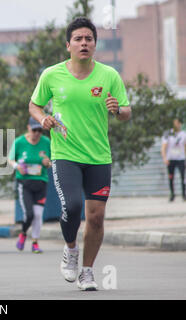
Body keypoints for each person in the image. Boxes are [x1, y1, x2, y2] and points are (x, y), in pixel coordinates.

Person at [29, 17, 131, 291]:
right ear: (68, 45)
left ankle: (87, 271)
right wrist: (43, 118)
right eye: (78, 39)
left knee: (96, 217)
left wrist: (117, 109)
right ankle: (71, 249)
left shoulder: (109, 75)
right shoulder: (52, 74)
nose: (84, 43)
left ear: (95, 44)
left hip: (99, 155)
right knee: (72, 206)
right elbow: (34, 105)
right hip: (65, 153)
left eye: (89, 39)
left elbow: (126, 112)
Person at [8, 117, 51, 254]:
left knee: (38, 215)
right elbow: (10, 159)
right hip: (24, 183)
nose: (37, 133)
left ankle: (35, 242)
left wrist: (47, 163)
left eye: (39, 130)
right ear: (28, 128)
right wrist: (16, 166)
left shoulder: (46, 142)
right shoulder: (19, 142)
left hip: (41, 182)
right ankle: (23, 233)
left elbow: (51, 161)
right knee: (29, 214)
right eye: (34, 130)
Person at [161, 118, 186, 202]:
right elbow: (163, 147)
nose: (177, 124)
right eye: (175, 123)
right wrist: (164, 158)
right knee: (171, 177)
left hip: (181, 159)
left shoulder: (183, 134)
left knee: (183, 177)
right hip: (171, 159)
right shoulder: (168, 134)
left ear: (180, 124)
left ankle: (184, 195)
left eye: (178, 123)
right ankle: (172, 194)